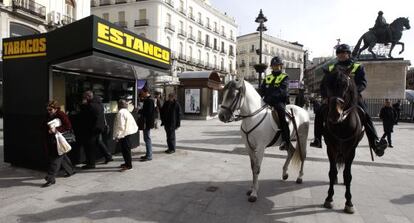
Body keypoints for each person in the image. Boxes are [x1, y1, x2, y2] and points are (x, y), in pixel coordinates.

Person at [310, 44, 387, 156]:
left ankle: (375, 142)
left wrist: (354, 91)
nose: (341, 55)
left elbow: (363, 83)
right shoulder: (331, 68)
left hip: (353, 97)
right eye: (339, 53)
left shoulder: (357, 66)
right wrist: (325, 97)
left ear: (348, 54)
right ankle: (317, 139)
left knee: (365, 115)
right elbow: (324, 85)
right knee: (320, 112)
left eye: (343, 53)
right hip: (335, 98)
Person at [259, 56, 291, 150]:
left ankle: (286, 140)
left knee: (282, 116)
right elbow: (262, 90)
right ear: (271, 67)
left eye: (278, 66)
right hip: (266, 102)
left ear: (281, 66)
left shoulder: (285, 77)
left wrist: (269, 98)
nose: (276, 68)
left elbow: (282, 91)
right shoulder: (268, 77)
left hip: (278, 102)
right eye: (274, 66)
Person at [43, 100, 76, 187]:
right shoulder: (49, 114)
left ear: (55, 108)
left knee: (56, 158)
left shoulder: (61, 114)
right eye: (47, 109)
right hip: (52, 138)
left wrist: (56, 129)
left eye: (50, 109)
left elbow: (68, 126)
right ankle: (71, 170)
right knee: (62, 156)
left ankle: (50, 178)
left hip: (59, 139)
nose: (48, 111)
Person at [79, 91, 105, 169]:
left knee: (90, 147)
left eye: (84, 97)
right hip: (99, 127)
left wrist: (83, 105)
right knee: (97, 143)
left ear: (88, 97)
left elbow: (86, 115)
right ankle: (107, 156)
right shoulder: (99, 103)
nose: (83, 98)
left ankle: (91, 163)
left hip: (92, 129)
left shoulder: (91, 105)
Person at [113, 99, 138, 171]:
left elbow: (121, 125)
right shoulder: (126, 111)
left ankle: (129, 165)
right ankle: (127, 163)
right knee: (125, 149)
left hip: (124, 133)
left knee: (126, 150)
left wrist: (118, 136)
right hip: (127, 132)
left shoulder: (121, 112)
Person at [139, 88, 155, 161]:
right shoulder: (148, 100)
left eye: (142, 92)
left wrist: (140, 111)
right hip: (147, 122)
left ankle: (149, 155)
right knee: (146, 138)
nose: (141, 94)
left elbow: (148, 112)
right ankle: (148, 154)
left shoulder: (149, 101)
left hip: (147, 123)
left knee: (147, 138)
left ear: (146, 92)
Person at [96, 96, 113, 164]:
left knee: (99, 141)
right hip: (102, 126)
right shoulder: (101, 106)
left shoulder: (98, 106)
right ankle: (108, 156)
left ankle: (108, 156)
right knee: (101, 141)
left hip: (99, 126)